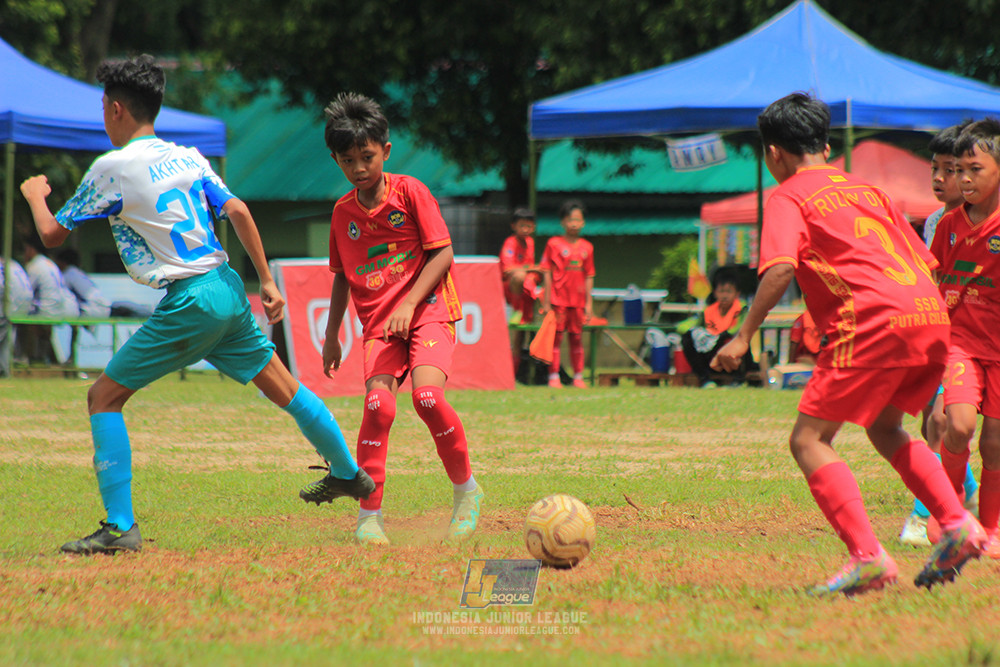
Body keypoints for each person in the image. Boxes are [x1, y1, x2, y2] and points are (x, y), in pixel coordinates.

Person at [19, 54, 372, 556]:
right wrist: (266, 282)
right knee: (286, 389)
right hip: (226, 287)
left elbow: (53, 234)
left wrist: (36, 195)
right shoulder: (188, 156)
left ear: (116, 108)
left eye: (103, 107)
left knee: (103, 398)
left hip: (189, 300)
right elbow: (239, 210)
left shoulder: (112, 168)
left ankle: (120, 528)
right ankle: (347, 472)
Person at [712, 92, 985, 596]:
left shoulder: (788, 195)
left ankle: (868, 558)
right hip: (927, 313)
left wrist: (743, 335)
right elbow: (925, 263)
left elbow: (778, 270)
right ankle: (957, 523)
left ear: (774, 152)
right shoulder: (866, 188)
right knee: (886, 428)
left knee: (809, 440)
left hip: (870, 320)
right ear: (824, 142)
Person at [318, 91, 482, 545]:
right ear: (336, 160)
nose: (359, 168)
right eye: (348, 160)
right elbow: (340, 276)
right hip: (378, 325)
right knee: (378, 406)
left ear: (385, 151)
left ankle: (467, 493)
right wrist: (332, 335)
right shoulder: (342, 213)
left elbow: (443, 252)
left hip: (427, 311)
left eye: (367, 156)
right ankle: (369, 517)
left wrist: (409, 302)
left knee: (426, 398)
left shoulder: (411, 192)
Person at [899, 123, 979, 547]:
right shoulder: (934, 222)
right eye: (937, 169)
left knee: (944, 420)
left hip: (976, 339)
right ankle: (960, 496)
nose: (940, 179)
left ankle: (926, 512)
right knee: (936, 421)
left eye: (950, 170)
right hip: (942, 336)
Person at [931, 118, 1000, 560]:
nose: (963, 179)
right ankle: (950, 516)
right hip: (959, 344)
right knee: (955, 426)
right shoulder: (947, 224)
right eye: (959, 170)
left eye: (975, 169)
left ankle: (992, 530)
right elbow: (927, 275)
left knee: (994, 443)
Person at [540, 199, 595, 389]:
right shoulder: (553, 244)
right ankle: (553, 376)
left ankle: (578, 376)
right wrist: (546, 301)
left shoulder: (588, 248)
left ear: (583, 222)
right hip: (558, 299)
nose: (574, 223)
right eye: (570, 219)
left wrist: (589, 303)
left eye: (577, 220)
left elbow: (589, 275)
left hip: (578, 301)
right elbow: (546, 272)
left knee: (577, 338)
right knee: (556, 338)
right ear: (563, 222)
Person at [679, 268, 749, 387]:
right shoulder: (709, 311)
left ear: (737, 293)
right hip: (711, 351)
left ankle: (738, 379)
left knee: (740, 341)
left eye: (729, 291)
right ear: (715, 293)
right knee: (688, 339)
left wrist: (722, 335)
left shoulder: (742, 309)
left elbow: (739, 329)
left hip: (731, 348)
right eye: (721, 291)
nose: (725, 295)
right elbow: (692, 325)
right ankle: (704, 378)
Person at [21, 231, 80, 364]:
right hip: (59, 309)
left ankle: (24, 358)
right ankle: (50, 360)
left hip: (46, 310)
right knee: (43, 331)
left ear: (31, 249)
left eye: (26, 249)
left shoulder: (35, 266)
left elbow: (26, 291)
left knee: (19, 321)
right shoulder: (50, 264)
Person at [500, 207, 543, 377]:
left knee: (521, 336)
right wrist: (532, 269)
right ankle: (516, 311)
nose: (526, 230)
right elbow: (508, 269)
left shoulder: (531, 244)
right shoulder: (510, 243)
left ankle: (515, 374)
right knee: (520, 276)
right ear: (514, 226)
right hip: (510, 291)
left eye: (529, 226)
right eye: (522, 226)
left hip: (526, 292)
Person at [55, 247, 112, 318]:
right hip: (103, 307)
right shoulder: (78, 272)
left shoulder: (68, 273)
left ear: (62, 262)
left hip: (92, 308)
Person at [0, 257, 33, 376]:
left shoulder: (3, 267)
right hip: (21, 309)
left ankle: (4, 371)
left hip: (9, 311)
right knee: (7, 339)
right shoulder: (14, 265)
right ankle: (4, 371)